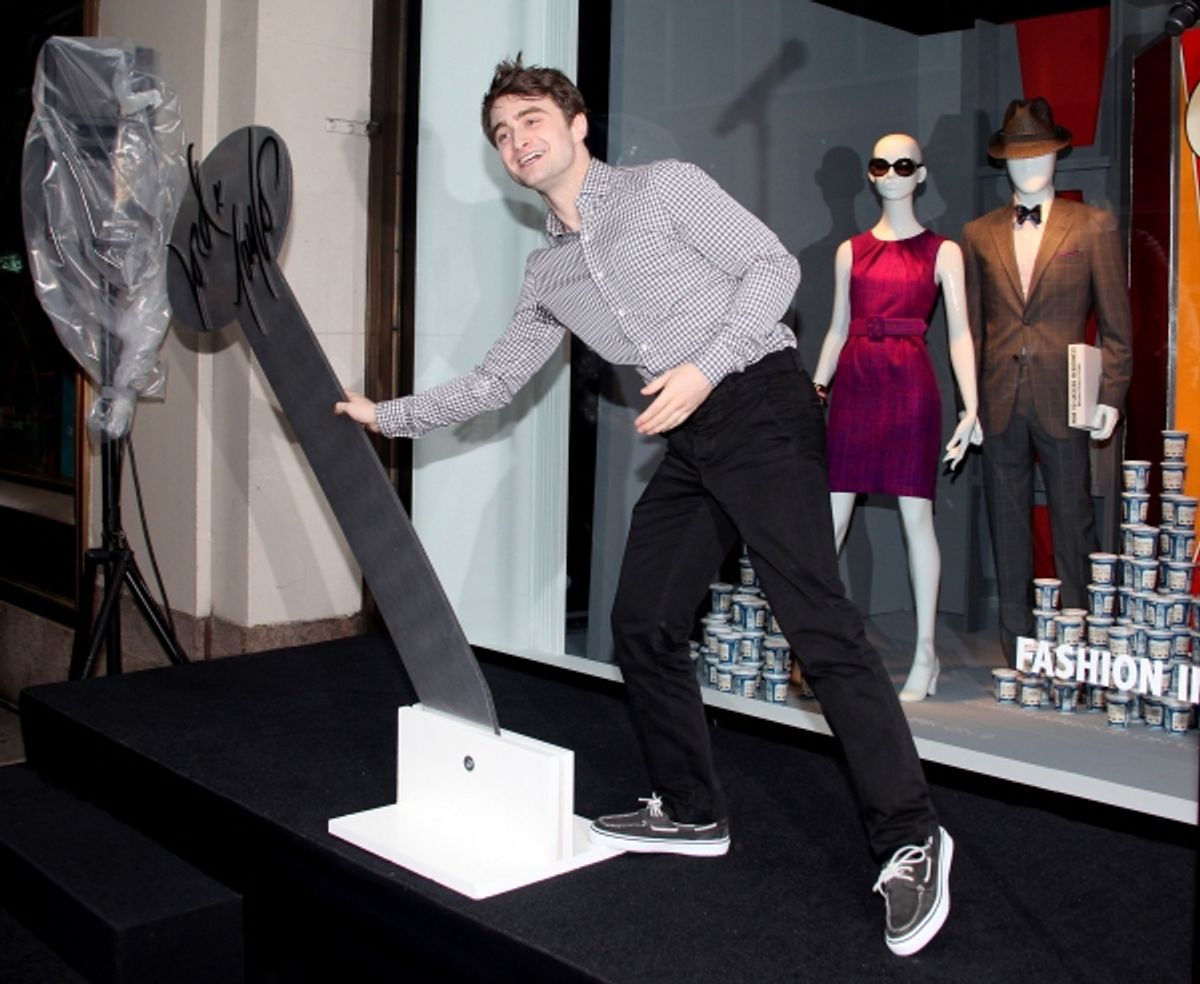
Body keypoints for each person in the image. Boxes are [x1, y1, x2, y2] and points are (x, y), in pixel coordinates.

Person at [335, 57, 952, 957]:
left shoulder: (665, 189)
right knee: (644, 621)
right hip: (696, 442)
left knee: (818, 631)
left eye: (532, 119)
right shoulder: (548, 272)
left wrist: (704, 367)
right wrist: (383, 416)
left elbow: (772, 269)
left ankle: (910, 837)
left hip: (758, 403)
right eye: (502, 135)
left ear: (577, 123)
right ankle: (694, 810)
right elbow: (497, 379)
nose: (519, 142)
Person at [811, 134, 980, 703]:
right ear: (871, 174)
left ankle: (926, 652)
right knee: (830, 523)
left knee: (916, 519)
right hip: (855, 382)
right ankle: (817, 648)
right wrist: (817, 386)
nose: (889, 173)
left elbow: (959, 334)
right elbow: (836, 327)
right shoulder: (850, 251)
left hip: (909, 384)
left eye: (902, 164)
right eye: (879, 164)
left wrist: (971, 404)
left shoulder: (943, 251)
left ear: (921, 174)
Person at [962, 98, 1132, 659]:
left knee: (1073, 522)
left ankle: (1082, 648)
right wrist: (972, 407)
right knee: (1006, 528)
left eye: (1038, 154)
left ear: (1058, 155)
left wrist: (1112, 392)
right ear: (1003, 162)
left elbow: (1116, 321)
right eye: (1017, 156)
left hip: (1068, 396)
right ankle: (1019, 650)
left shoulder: (1092, 225)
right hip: (1000, 397)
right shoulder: (979, 233)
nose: (1028, 166)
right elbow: (975, 327)